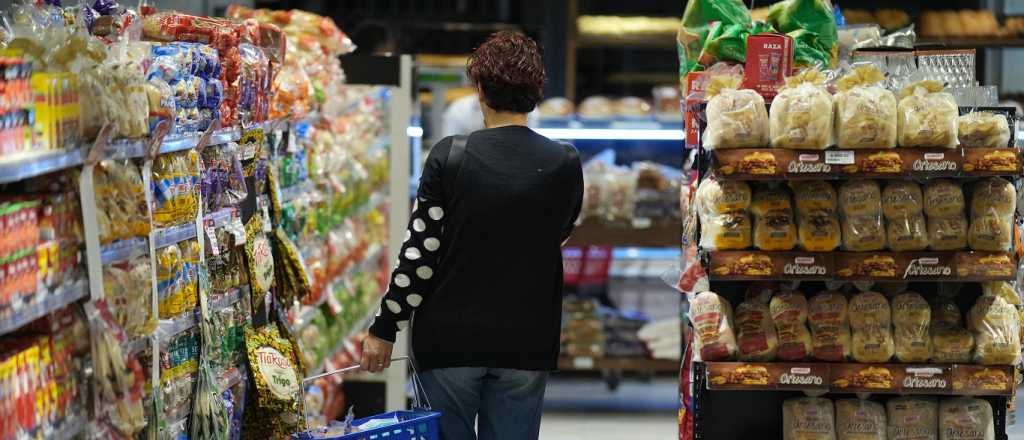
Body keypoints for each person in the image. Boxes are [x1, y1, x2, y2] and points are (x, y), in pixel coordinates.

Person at [361, 31, 584, 440]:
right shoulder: (564, 162)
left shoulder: (450, 155)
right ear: (536, 89)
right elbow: (560, 233)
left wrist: (385, 328)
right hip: (527, 340)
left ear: (480, 89)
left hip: (449, 341)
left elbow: (420, 254)